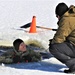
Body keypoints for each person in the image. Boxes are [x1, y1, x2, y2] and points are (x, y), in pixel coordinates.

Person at [49, 2, 75, 73]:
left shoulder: (66, 20)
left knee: (53, 47)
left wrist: (52, 42)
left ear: (59, 15)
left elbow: (59, 38)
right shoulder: (72, 15)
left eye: (57, 16)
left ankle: (74, 65)